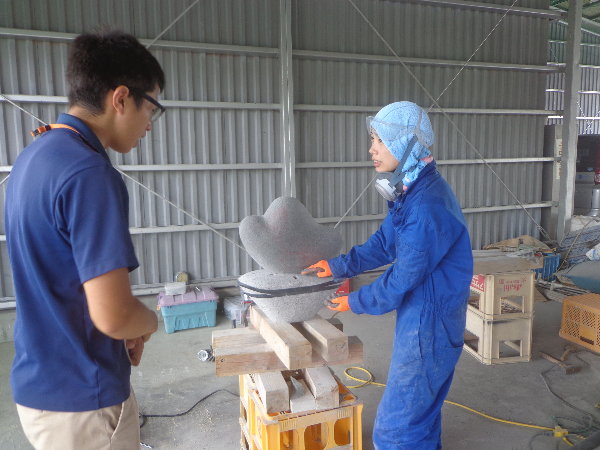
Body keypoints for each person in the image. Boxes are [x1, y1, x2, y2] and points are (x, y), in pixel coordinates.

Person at [4, 30, 165, 450]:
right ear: (121, 98)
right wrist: (148, 322)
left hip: (41, 387)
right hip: (83, 402)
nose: (150, 124)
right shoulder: (90, 173)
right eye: (152, 107)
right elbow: (114, 316)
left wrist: (123, 325)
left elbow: (62, 280)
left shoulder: (34, 157)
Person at [304, 101, 473, 449]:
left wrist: (355, 301)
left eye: (380, 140)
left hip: (430, 324)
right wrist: (337, 266)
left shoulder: (425, 205)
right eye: (373, 139)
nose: (372, 149)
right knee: (419, 417)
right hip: (426, 314)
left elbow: (402, 278)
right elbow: (385, 243)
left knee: (396, 431)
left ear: (405, 145)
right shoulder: (411, 190)